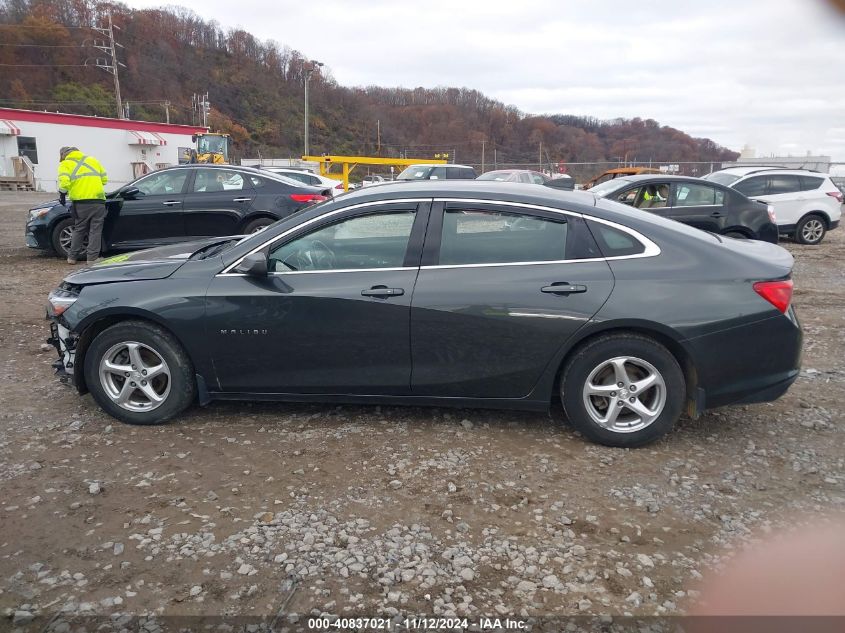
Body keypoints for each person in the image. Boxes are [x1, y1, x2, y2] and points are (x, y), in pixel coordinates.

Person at [57, 146, 108, 264]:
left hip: (80, 202)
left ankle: (72, 257)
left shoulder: (65, 164)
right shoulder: (93, 160)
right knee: (95, 230)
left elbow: (64, 182)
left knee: (79, 229)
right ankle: (92, 259)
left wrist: (63, 195)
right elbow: (104, 179)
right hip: (98, 201)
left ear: (64, 155)